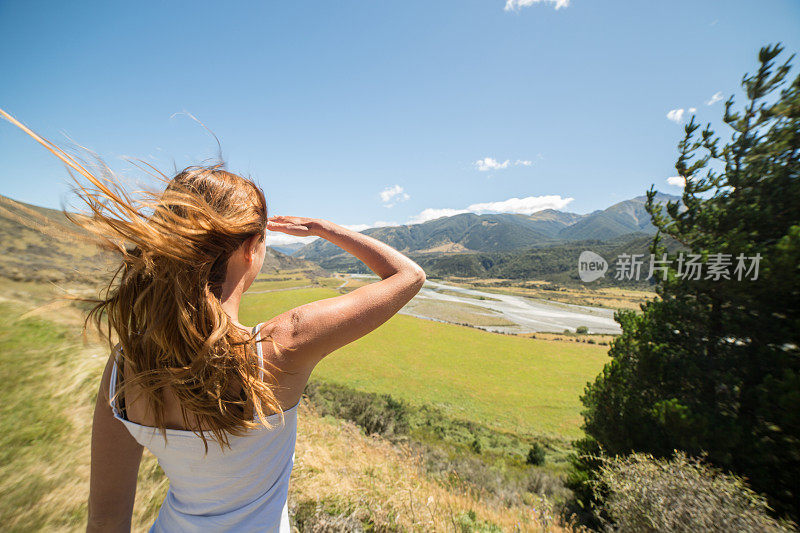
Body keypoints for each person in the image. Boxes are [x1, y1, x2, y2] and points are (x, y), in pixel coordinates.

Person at [0, 108, 425, 532]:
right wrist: (323, 227)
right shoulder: (280, 347)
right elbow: (408, 275)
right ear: (250, 249)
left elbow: (107, 519)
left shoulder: (127, 364)